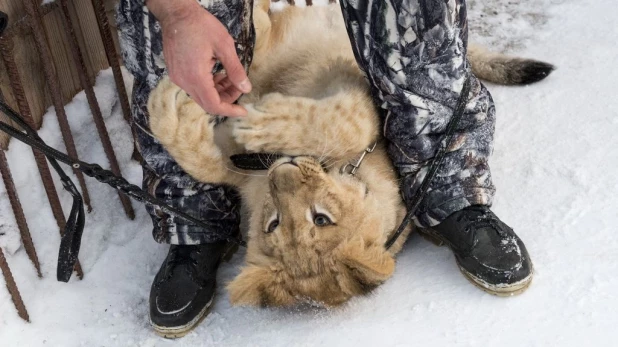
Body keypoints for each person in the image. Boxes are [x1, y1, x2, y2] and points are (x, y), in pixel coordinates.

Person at [117, 0, 533, 337]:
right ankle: (444, 177)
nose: (283, 181)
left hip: (278, 58)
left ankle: (191, 199)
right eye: (319, 216)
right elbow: (351, 106)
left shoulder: (283, 200)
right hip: (326, 59)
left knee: (195, 101)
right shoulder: (369, 217)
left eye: (274, 223)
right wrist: (178, 12)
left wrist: (196, 152)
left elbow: (235, 167)